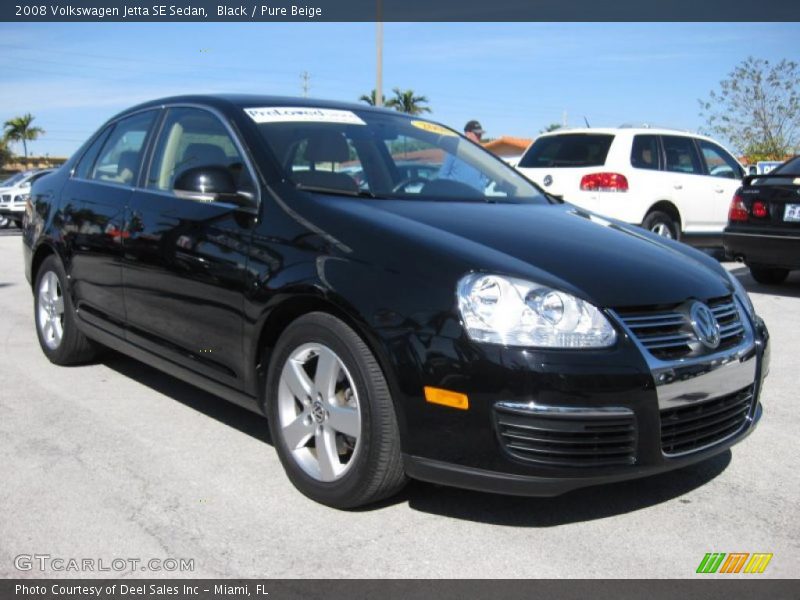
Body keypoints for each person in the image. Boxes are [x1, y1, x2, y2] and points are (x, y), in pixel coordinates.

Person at [438, 120, 489, 192]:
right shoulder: (454, 150)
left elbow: (483, 178)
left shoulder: (482, 153)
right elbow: (442, 175)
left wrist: (481, 191)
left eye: (480, 134)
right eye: (476, 134)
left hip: (476, 198)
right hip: (456, 198)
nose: (479, 137)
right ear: (467, 134)